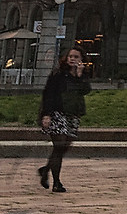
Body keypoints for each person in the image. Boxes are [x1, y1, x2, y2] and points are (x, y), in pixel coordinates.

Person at [38, 49, 89, 193]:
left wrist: (79, 75)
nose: (72, 59)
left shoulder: (81, 75)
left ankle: (45, 170)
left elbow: (85, 90)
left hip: (73, 114)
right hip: (57, 113)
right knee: (59, 145)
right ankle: (57, 182)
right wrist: (46, 114)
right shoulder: (58, 74)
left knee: (63, 147)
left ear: (81, 59)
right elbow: (49, 93)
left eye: (76, 57)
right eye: (70, 56)